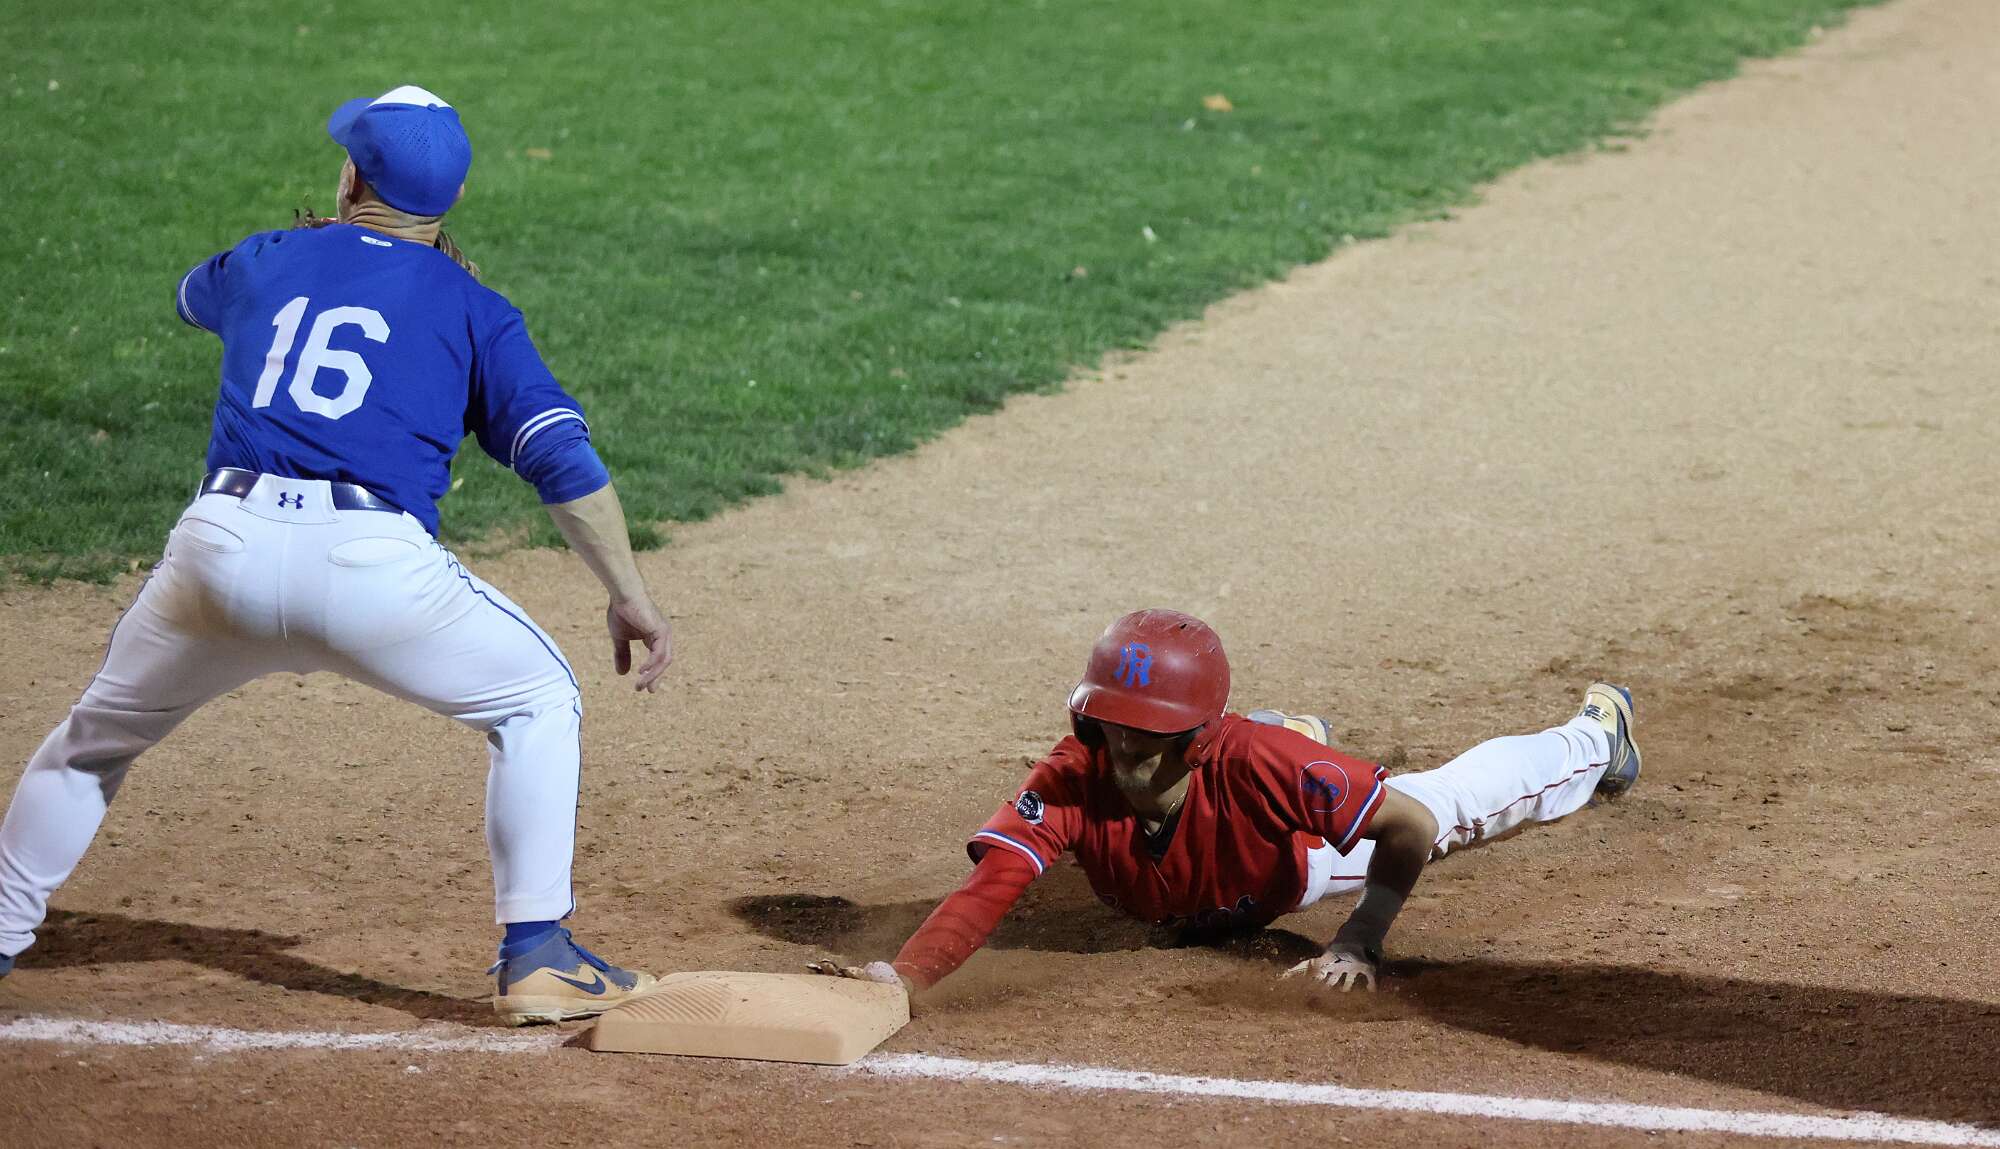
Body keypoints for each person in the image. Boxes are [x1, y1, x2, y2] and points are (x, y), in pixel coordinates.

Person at [0, 85, 671, 1025]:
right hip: (372, 572)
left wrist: (308, 258)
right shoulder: (476, 309)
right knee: (536, 698)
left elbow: (192, 295)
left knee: (91, 743)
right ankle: (536, 953)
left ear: (351, 177)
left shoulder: (266, 257)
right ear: (455, 198)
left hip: (220, 555)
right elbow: (562, 459)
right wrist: (628, 591)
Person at [810, 608, 1639, 995]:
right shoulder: (1070, 774)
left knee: (1450, 804)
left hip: (1290, 859)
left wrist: (1359, 937)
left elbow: (1408, 826)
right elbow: (990, 882)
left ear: (1196, 736)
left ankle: (1595, 737)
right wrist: (904, 974)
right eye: (1110, 727)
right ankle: (1303, 739)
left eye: (1147, 735)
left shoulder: (1247, 762)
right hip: (1219, 840)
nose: (1123, 752)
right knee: (1273, 773)